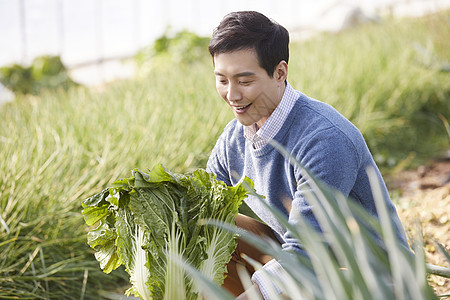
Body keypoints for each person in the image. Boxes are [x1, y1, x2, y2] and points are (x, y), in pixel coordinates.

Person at [206, 11, 409, 299]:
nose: (232, 95)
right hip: (306, 263)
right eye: (222, 80)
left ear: (279, 73)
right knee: (207, 225)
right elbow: (199, 204)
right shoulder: (234, 138)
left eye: (244, 81)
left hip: (372, 280)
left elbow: (306, 253)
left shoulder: (325, 138)